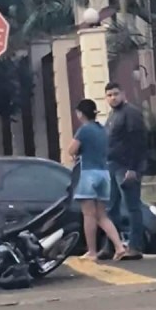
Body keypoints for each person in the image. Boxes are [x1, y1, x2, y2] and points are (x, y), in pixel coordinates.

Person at [68, 99, 127, 261]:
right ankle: (119, 246)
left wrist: (78, 151)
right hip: (104, 174)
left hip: (89, 174)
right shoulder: (103, 130)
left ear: (80, 113)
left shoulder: (84, 130)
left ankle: (92, 251)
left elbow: (71, 150)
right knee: (102, 215)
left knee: (88, 214)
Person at [104, 82, 148, 260]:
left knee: (132, 207)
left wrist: (133, 168)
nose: (113, 98)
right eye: (109, 95)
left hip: (126, 167)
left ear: (123, 93)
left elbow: (138, 142)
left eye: (115, 94)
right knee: (111, 207)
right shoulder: (113, 114)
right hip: (112, 165)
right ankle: (111, 246)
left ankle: (135, 247)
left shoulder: (131, 113)